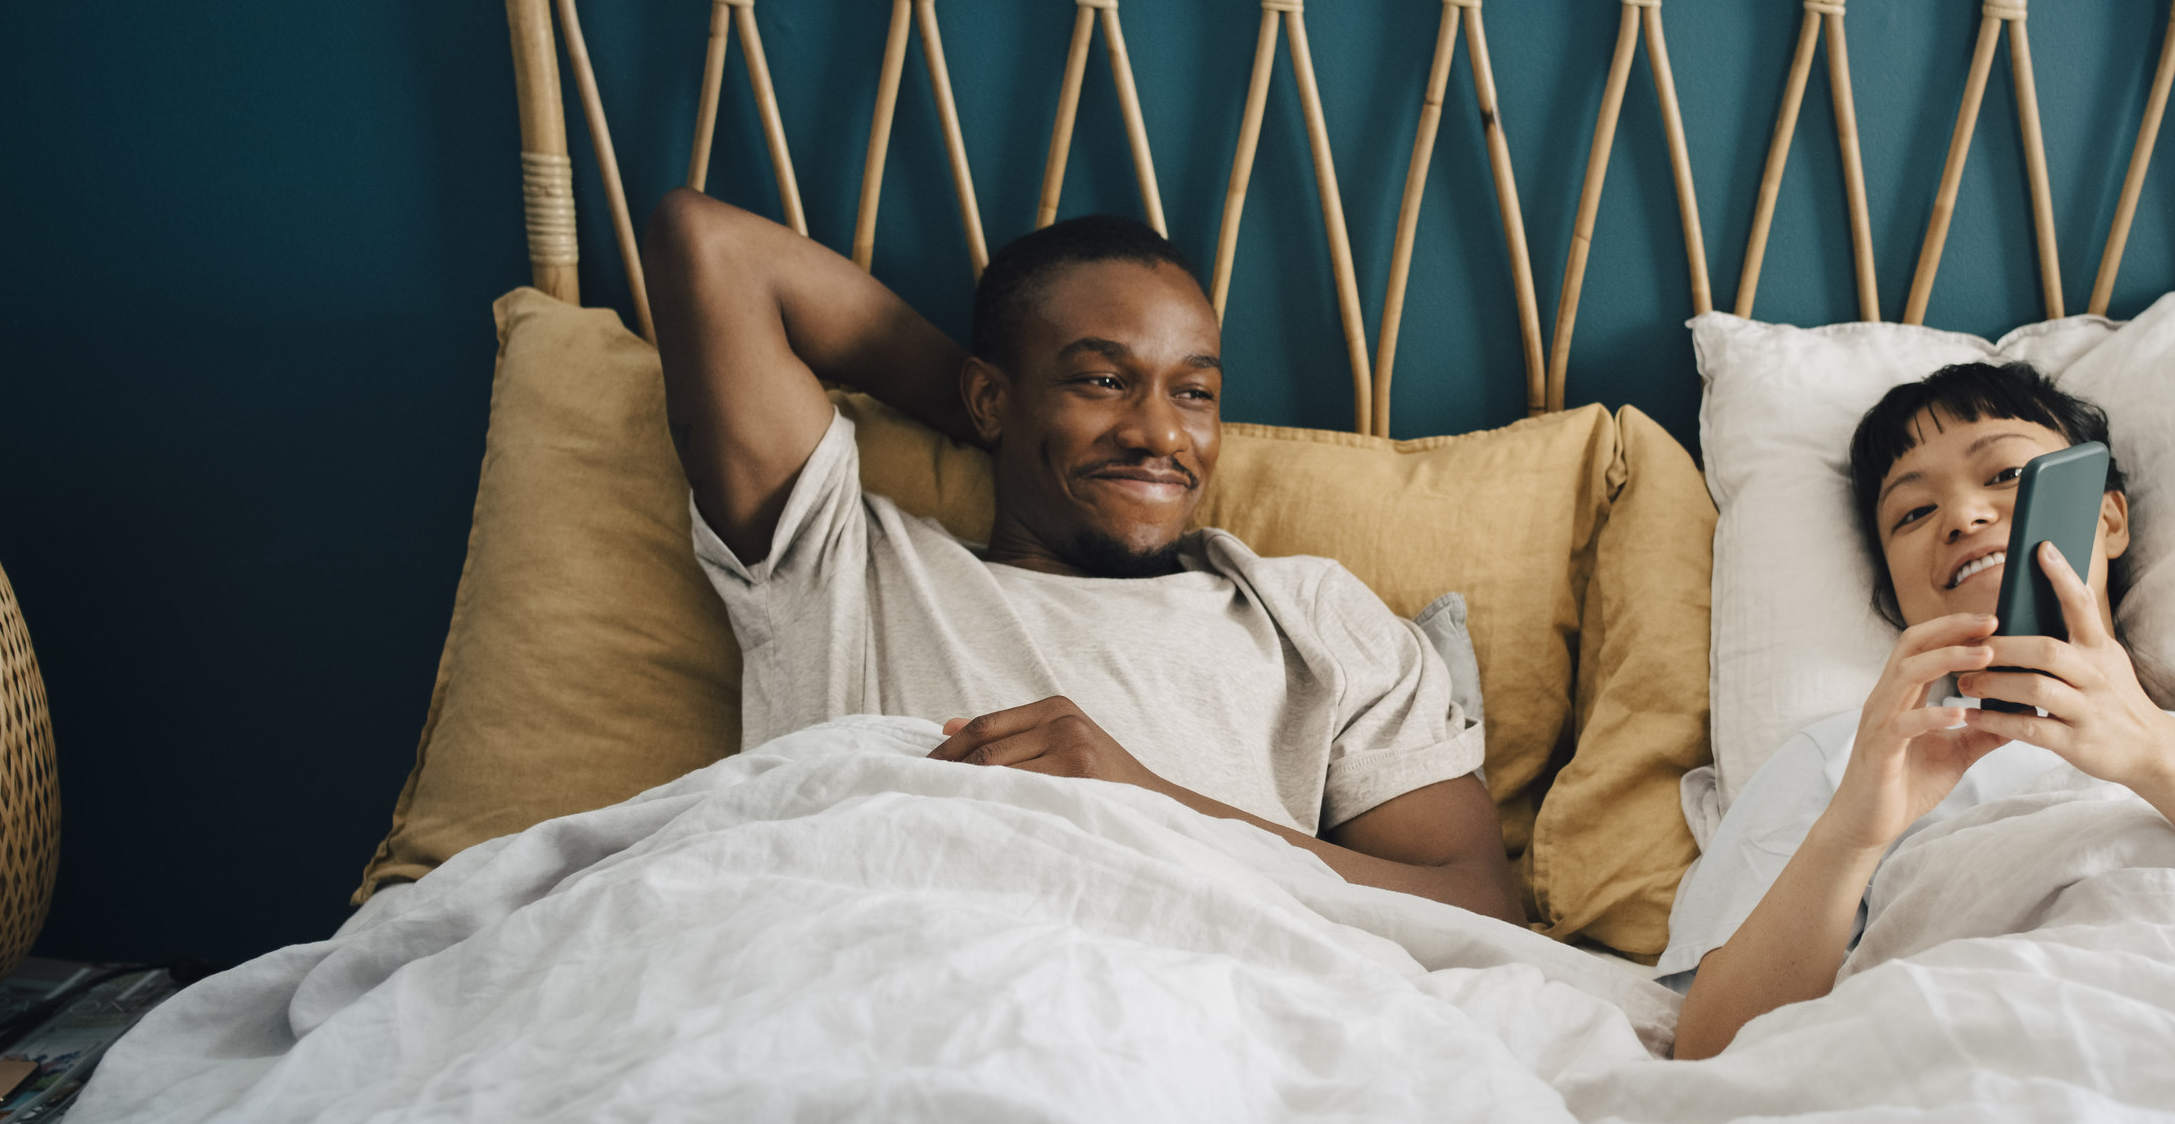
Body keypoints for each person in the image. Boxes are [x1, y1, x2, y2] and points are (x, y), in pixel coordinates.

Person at [645, 187, 1524, 924]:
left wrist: (1150, 801)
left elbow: (1476, 908)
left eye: (1194, 392)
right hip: (889, 982)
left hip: (1217, 1008)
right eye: (1102, 380)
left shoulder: (1310, 615)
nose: (1158, 432)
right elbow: (713, 247)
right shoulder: (841, 567)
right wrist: (989, 417)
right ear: (990, 397)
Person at [1666, 362, 2175, 1060]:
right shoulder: (1853, 757)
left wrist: (2151, 752)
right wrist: (1853, 834)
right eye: (1912, 514)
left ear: (2108, 514)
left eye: (2007, 476)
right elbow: (1709, 1048)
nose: (1962, 516)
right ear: (1893, 588)